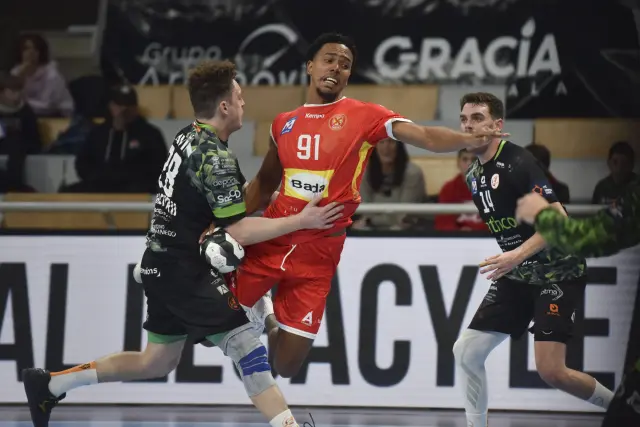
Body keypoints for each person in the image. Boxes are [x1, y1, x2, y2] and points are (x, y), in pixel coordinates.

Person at [21, 60, 344, 427]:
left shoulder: (188, 135)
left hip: (161, 262)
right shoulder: (215, 158)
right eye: (239, 96)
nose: (244, 103)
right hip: (184, 271)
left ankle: (51, 384)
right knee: (246, 346)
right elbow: (238, 231)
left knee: (156, 361)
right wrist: (302, 221)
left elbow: (222, 201)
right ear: (224, 106)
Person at [218, 33, 507, 379]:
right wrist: (223, 221)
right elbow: (264, 185)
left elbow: (426, 137)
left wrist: (468, 139)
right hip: (272, 239)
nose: (335, 68)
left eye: (344, 65)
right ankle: (254, 309)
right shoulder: (283, 123)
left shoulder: (365, 116)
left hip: (318, 254)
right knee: (211, 326)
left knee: (286, 366)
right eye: (328, 60)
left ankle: (266, 316)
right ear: (310, 66)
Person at [451, 92, 614, 427]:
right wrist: (515, 259)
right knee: (466, 352)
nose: (469, 126)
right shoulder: (473, 175)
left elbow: (559, 219)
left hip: (558, 270)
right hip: (519, 272)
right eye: (464, 119)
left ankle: (625, 411)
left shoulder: (518, 162)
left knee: (552, 371)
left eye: (478, 118)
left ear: (497, 125)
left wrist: (516, 255)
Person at [515, 178, 640, 427]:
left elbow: (594, 237)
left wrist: (541, 214)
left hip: (560, 272)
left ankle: (614, 406)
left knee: (552, 369)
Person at [61, 85, 168, 193]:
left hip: (135, 188)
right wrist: (98, 176)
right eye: (119, 105)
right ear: (111, 106)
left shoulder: (150, 134)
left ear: (135, 108)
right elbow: (82, 163)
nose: (123, 110)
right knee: (68, 192)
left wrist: (129, 176)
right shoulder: (98, 133)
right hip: (100, 185)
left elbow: (158, 167)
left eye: (128, 105)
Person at [352, 138, 425, 230]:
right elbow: (366, 210)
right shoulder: (364, 172)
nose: (386, 147)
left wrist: (375, 223)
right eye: (381, 142)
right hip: (371, 227)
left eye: (391, 142)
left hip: (404, 228)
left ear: (399, 146)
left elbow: (405, 214)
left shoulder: (413, 173)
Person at [10, 33, 74, 117]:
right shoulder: (17, 71)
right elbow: (10, 98)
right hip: (29, 113)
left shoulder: (51, 74)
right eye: (26, 49)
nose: (31, 52)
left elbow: (48, 105)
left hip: (59, 114)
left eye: (35, 49)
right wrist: (19, 76)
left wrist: (22, 103)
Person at [434, 149, 487, 231]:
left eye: (473, 159)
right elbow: (443, 222)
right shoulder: (449, 189)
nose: (469, 163)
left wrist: (475, 231)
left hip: (485, 237)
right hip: (456, 237)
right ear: (458, 163)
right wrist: (458, 232)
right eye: (465, 159)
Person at [592, 141, 636, 205]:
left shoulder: (637, 185)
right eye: (615, 162)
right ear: (609, 163)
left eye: (624, 163)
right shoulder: (601, 187)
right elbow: (594, 209)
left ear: (631, 165)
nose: (619, 168)